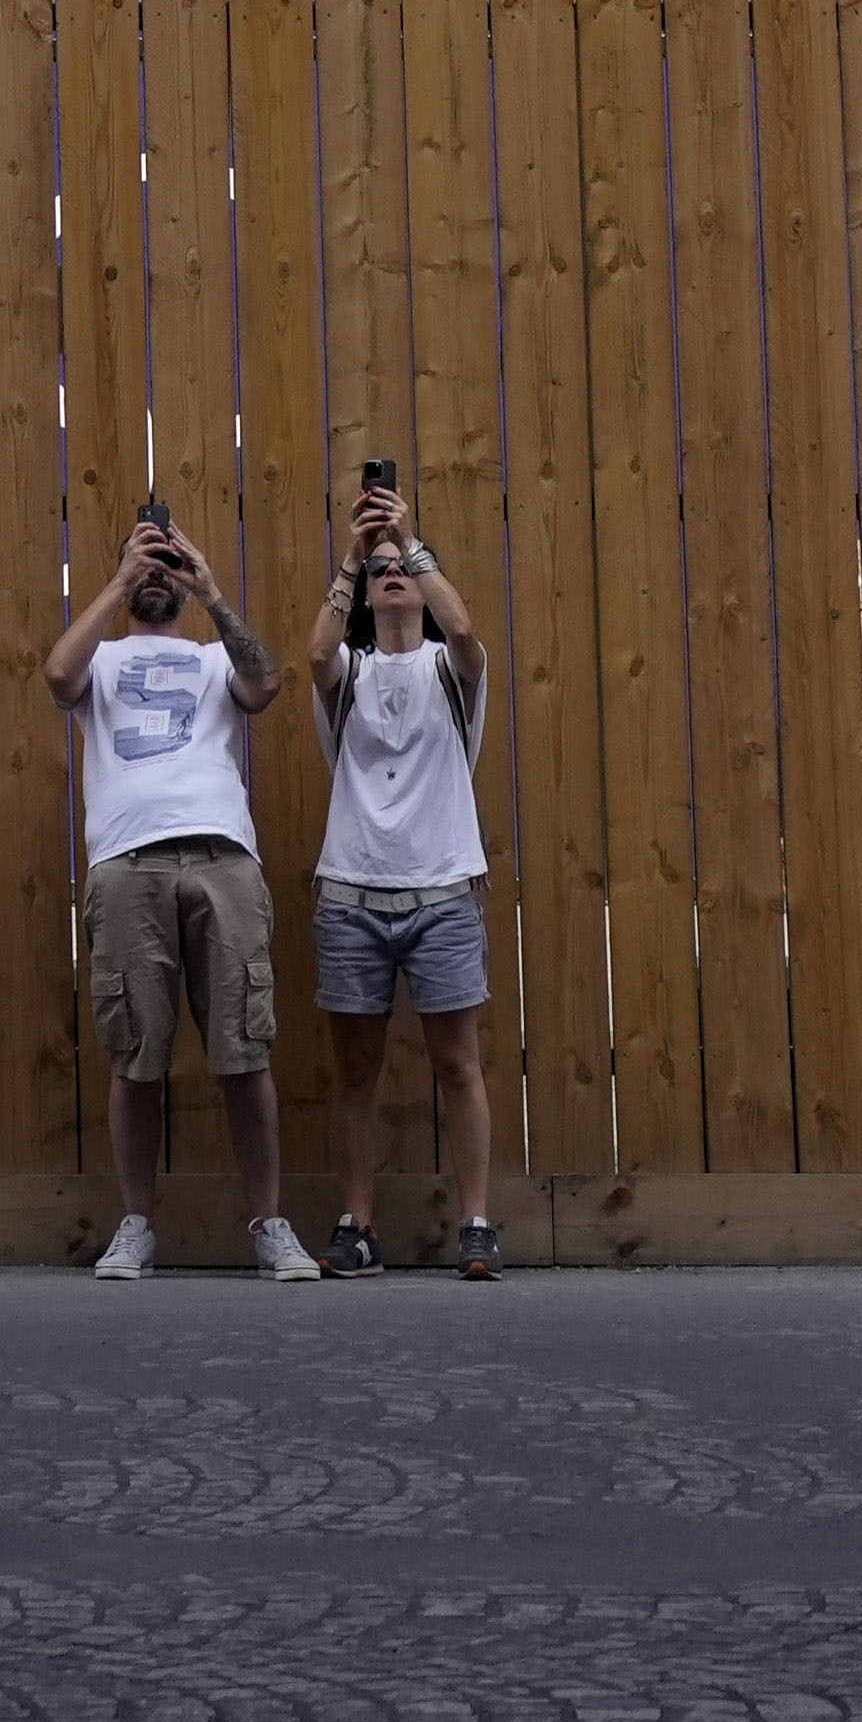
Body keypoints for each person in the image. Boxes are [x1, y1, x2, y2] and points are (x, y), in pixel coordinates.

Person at [41, 495, 321, 1278]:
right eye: (147, 562)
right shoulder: (100, 658)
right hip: (127, 863)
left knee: (245, 1050)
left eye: (168, 563)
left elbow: (266, 683)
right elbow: (57, 675)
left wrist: (212, 591)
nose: (158, 574)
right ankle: (136, 1224)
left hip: (221, 857)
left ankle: (268, 1223)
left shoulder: (212, 659)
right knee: (136, 1053)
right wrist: (118, 581)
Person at [299, 479, 500, 1278]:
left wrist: (409, 542)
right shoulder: (347, 673)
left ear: (422, 580)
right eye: (379, 570)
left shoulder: (451, 672)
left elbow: (468, 632)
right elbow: (315, 655)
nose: (391, 575)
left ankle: (477, 1222)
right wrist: (354, 556)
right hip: (351, 894)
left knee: (458, 1063)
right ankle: (357, 1226)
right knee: (355, 1071)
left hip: (443, 891)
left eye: (403, 568)